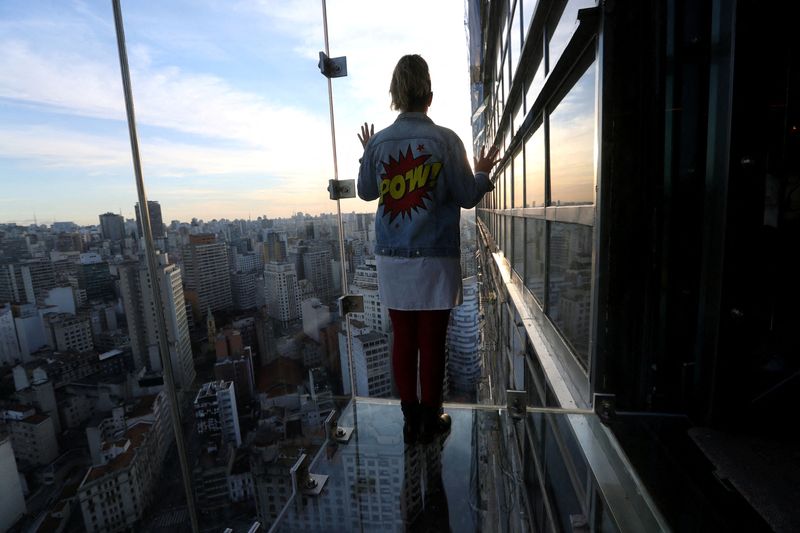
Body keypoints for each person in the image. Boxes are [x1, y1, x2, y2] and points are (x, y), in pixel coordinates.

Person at [357, 54, 499, 445]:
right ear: (430, 95)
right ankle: (432, 417)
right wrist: (483, 170)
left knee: (403, 337)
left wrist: (371, 152)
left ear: (395, 95)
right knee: (433, 339)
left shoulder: (381, 142)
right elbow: (468, 196)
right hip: (436, 257)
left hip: (392, 257)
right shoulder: (447, 140)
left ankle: (409, 421)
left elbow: (366, 191)